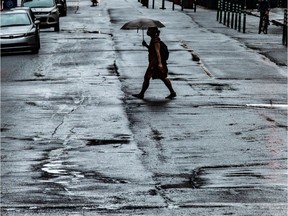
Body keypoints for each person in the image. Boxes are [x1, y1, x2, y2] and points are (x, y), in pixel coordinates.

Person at [132, 27, 176, 99]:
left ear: (152, 31)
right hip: (154, 62)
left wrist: (159, 63)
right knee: (163, 77)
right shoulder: (154, 39)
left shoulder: (155, 40)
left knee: (147, 77)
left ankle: (141, 94)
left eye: (149, 30)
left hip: (154, 63)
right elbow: (152, 50)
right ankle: (172, 92)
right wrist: (146, 45)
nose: (147, 31)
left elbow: (157, 52)